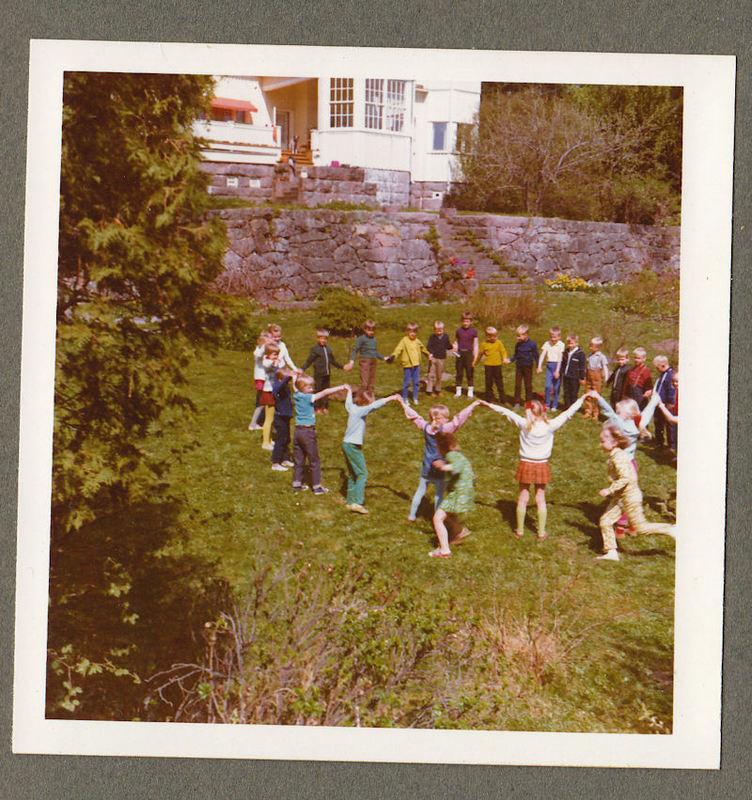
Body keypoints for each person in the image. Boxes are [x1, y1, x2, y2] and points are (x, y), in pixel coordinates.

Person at [479, 394, 586, 540]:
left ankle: (520, 531)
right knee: (540, 497)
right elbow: (568, 413)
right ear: (543, 411)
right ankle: (541, 533)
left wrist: (488, 404)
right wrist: (582, 399)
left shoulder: (524, 423)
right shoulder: (550, 425)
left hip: (526, 464)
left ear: (529, 411)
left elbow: (506, 412)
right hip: (542, 465)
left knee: (523, 497)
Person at [595, 422, 676, 562]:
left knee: (641, 528)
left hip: (629, 497)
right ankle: (611, 552)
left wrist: (609, 490)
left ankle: (670, 529)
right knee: (605, 521)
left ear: (614, 442)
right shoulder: (616, 455)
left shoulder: (618, 457)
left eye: (603, 441)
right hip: (621, 498)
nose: (600, 444)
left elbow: (626, 478)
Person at [399, 399, 480, 522]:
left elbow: (414, 416)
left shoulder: (425, 427)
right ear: (438, 418)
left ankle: (412, 516)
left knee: (420, 491)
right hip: (441, 467)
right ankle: (437, 519)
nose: (447, 419)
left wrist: (402, 404)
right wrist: (473, 405)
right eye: (445, 417)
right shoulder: (446, 429)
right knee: (439, 495)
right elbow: (458, 419)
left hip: (427, 466)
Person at [342, 387, 402, 514]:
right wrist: (391, 398)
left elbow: (348, 402)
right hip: (353, 446)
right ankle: (357, 502)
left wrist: (348, 391)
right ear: (364, 403)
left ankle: (350, 501)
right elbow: (374, 406)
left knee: (353, 473)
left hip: (346, 444)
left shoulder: (352, 408)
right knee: (362, 473)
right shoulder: (361, 411)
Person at [291, 375, 348, 494]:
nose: (312, 389)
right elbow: (325, 392)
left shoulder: (297, 395)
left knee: (299, 459)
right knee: (314, 460)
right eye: (309, 387)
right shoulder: (308, 397)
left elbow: (295, 387)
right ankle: (317, 487)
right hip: (308, 432)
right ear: (302, 388)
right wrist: (341, 387)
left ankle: (297, 484)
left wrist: (294, 378)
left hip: (297, 432)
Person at [429, 430, 476, 558]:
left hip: (458, 493)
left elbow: (457, 467)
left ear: (441, 447)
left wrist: (443, 467)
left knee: (437, 519)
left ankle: (444, 550)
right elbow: (471, 476)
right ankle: (459, 532)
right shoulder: (459, 456)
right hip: (464, 493)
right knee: (450, 515)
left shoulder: (451, 455)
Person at [301, 328, 345, 413]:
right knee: (318, 390)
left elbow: (333, 361)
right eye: (321, 338)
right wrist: (302, 368)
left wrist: (342, 367)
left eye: (325, 339)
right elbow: (309, 361)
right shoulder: (315, 349)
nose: (323, 340)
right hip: (318, 374)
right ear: (317, 338)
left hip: (327, 374)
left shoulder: (328, 349)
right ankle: (317, 407)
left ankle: (324, 406)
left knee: (326, 390)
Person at [387, 322, 431, 405]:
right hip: (407, 365)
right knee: (407, 382)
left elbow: (423, 349)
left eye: (415, 332)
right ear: (407, 332)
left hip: (416, 365)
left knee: (416, 382)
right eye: (411, 332)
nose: (413, 334)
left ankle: (415, 397)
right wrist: (393, 356)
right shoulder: (404, 341)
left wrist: (428, 354)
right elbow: (398, 349)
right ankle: (405, 398)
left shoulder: (417, 341)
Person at [345, 320, 386, 394]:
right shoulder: (361, 339)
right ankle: (359, 397)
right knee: (365, 383)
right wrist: (351, 362)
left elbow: (375, 352)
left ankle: (369, 397)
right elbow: (355, 350)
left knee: (371, 383)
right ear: (364, 329)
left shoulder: (374, 339)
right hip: (365, 362)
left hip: (373, 361)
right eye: (369, 330)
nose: (371, 332)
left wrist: (384, 358)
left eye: (373, 330)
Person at [475, 326, 510, 403]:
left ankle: (502, 399)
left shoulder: (499, 343)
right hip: (488, 366)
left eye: (495, 336)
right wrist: (475, 362)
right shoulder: (484, 344)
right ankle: (489, 398)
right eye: (492, 336)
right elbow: (480, 354)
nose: (494, 338)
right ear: (487, 336)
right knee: (488, 382)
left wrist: (504, 358)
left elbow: (503, 351)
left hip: (497, 365)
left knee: (499, 382)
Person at [647, 355, 676, 450]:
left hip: (666, 405)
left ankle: (672, 446)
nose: (657, 369)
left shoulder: (670, 375)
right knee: (658, 423)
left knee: (669, 425)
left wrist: (670, 403)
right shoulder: (663, 374)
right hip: (659, 403)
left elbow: (671, 390)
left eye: (657, 367)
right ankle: (659, 442)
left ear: (663, 365)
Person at [270, 369, 295, 471]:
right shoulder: (277, 386)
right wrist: (288, 377)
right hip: (280, 417)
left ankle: (284, 458)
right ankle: (275, 462)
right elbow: (276, 389)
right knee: (280, 439)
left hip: (286, 416)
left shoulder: (285, 386)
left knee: (286, 439)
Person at [260, 342, 283, 451]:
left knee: (272, 418)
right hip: (268, 392)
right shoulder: (266, 362)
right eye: (274, 354)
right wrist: (274, 362)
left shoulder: (272, 362)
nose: (276, 356)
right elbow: (267, 365)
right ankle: (265, 443)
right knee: (269, 419)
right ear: (268, 354)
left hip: (273, 392)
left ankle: (269, 439)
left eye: (277, 354)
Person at [249, 331, 273, 430]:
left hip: (264, 378)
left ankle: (257, 422)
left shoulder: (263, 350)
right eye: (269, 338)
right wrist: (264, 346)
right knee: (261, 402)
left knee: (263, 402)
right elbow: (258, 356)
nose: (271, 340)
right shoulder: (259, 350)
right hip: (261, 379)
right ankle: (253, 424)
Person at [537, 326, 565, 411]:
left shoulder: (561, 344)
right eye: (551, 337)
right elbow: (542, 355)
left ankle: (555, 405)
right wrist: (539, 366)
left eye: (555, 337)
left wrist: (557, 371)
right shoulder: (547, 343)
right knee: (548, 386)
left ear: (559, 337)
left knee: (556, 387)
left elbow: (560, 358)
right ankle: (547, 404)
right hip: (549, 366)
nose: (553, 339)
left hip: (557, 366)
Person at [510, 324, 539, 407]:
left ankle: (528, 402)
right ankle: (517, 402)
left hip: (528, 367)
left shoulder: (532, 344)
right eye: (517, 335)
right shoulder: (518, 344)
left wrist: (538, 366)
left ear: (526, 335)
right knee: (517, 385)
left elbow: (536, 356)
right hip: (519, 367)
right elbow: (516, 355)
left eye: (519, 336)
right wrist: (510, 360)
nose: (517, 338)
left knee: (528, 385)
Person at [583, 336, 610, 420]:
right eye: (590, 345)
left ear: (597, 347)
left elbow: (605, 367)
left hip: (597, 377)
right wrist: (584, 375)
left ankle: (595, 413)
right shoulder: (590, 355)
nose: (590, 347)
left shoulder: (601, 356)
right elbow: (586, 366)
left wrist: (606, 377)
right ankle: (588, 411)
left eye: (592, 346)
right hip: (589, 376)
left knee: (596, 395)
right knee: (588, 394)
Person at [453, 312, 479, 398]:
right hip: (460, 354)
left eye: (467, 321)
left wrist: (475, 357)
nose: (465, 323)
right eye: (464, 321)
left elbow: (475, 345)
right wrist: (455, 348)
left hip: (469, 354)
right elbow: (456, 342)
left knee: (469, 372)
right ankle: (458, 391)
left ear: (471, 322)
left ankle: (470, 391)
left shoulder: (474, 331)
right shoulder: (458, 331)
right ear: (461, 321)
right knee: (459, 372)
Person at [425, 320, 452, 395]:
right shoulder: (432, 337)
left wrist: (453, 346)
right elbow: (429, 346)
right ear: (434, 330)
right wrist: (430, 353)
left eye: (441, 329)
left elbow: (448, 346)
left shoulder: (446, 336)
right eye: (437, 330)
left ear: (443, 329)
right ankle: (429, 391)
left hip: (441, 358)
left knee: (439, 375)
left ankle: (438, 390)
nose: (439, 331)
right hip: (433, 358)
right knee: (431, 374)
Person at [560, 333, 586, 410]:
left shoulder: (580, 354)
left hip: (575, 377)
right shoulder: (566, 351)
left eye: (571, 343)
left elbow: (582, 366)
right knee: (566, 392)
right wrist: (561, 372)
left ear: (576, 343)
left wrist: (582, 377)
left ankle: (572, 408)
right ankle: (567, 407)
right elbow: (563, 363)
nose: (570, 345)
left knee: (574, 392)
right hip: (566, 375)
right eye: (568, 343)